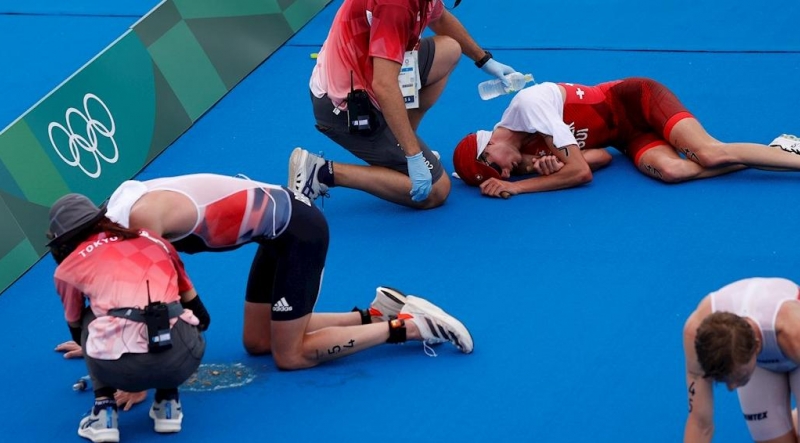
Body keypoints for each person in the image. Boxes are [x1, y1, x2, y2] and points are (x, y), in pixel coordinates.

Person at [57, 174, 473, 406]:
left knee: (289, 356)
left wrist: (138, 376)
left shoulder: (140, 226)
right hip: (275, 234)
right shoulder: (112, 218)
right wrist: (98, 337)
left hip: (299, 233)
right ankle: (374, 313)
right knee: (257, 342)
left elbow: (163, 309)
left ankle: (408, 325)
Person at [290, 0, 521, 209]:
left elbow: (439, 18)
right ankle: (319, 171)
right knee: (436, 190)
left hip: (362, 76)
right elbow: (384, 85)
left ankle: (399, 143)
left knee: (449, 49)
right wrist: (413, 156)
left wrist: (484, 60)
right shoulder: (397, 5)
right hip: (346, 109)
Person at [452, 77, 800, 198]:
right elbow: (601, 157)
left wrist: (519, 188)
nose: (509, 174)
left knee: (708, 154)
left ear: (488, 148)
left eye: (500, 170)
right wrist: (552, 168)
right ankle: (773, 150)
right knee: (674, 173)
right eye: (505, 178)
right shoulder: (520, 154)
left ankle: (791, 157)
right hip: (626, 137)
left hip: (639, 101)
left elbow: (580, 174)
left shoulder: (527, 107)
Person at [47, 193, 210, 443]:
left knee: (89, 317)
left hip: (121, 371)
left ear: (64, 241)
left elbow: (76, 326)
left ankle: (104, 414)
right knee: (169, 305)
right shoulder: (152, 238)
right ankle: (168, 403)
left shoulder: (66, 270)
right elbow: (201, 315)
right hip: (184, 360)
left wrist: (98, 342)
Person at [682, 277, 800, 443]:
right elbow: (700, 424)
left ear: (757, 345)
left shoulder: (793, 332)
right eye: (724, 380)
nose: (732, 387)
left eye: (739, 377)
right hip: (758, 363)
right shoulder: (696, 336)